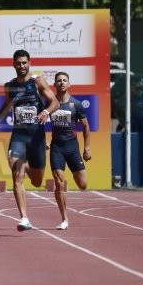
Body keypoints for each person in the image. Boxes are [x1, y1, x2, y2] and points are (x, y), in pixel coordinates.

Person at [0, 50, 58, 231]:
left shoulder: (37, 81)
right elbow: (8, 104)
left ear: (29, 63)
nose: (21, 66)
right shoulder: (10, 86)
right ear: (13, 64)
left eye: (24, 63)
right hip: (19, 135)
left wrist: (45, 112)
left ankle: (28, 166)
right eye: (18, 63)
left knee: (36, 181)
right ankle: (24, 218)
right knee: (16, 175)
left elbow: (55, 102)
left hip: (36, 137)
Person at [48, 72, 91, 230]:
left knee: (83, 184)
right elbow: (38, 122)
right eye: (58, 81)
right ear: (55, 85)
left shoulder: (76, 104)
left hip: (72, 147)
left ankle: (73, 179)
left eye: (64, 80)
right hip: (57, 147)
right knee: (59, 183)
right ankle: (64, 218)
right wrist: (42, 140)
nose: (61, 83)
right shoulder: (50, 103)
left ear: (69, 84)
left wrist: (87, 148)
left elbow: (86, 126)